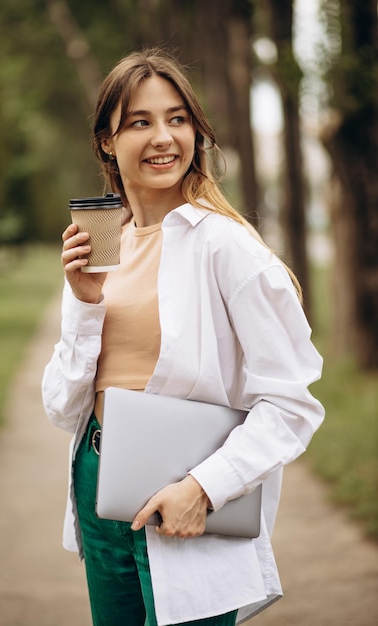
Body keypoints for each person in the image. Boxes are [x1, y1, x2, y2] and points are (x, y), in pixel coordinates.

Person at [42, 48, 324, 626]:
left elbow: (293, 403)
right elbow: (62, 405)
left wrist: (204, 487)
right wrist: (85, 302)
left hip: (184, 496)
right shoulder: (102, 243)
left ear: (197, 131)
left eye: (177, 119)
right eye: (140, 122)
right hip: (99, 488)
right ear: (106, 141)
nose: (163, 137)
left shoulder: (227, 248)